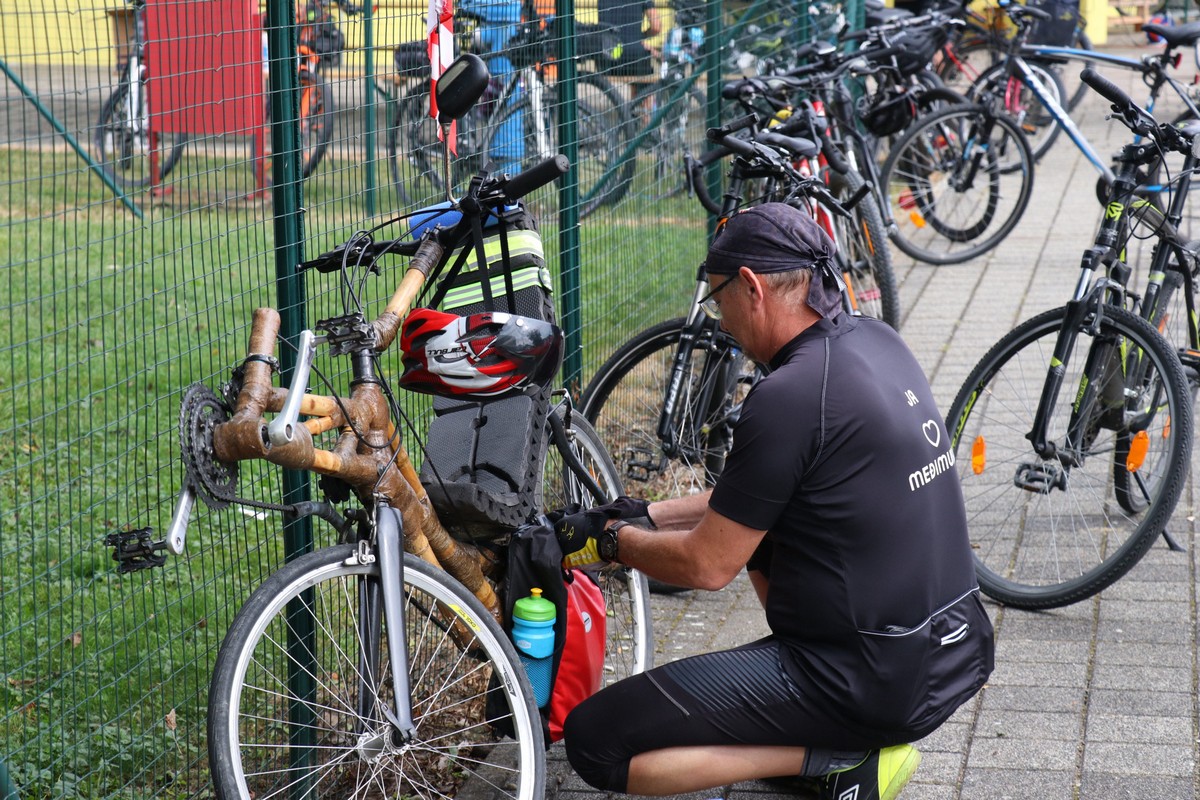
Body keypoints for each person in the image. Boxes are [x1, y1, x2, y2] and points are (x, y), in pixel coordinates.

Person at [553, 203, 994, 800]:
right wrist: (643, 512)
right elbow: (752, 498)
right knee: (775, 530)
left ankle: (835, 760)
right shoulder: (875, 340)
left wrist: (610, 542)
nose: (722, 321)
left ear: (752, 287)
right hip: (952, 649)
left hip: (871, 680)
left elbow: (708, 566)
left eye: (717, 299)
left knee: (595, 741)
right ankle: (825, 738)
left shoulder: (788, 395)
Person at [597, 0, 662, 78]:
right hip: (635, 57)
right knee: (642, 84)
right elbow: (656, 27)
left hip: (607, 59)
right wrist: (637, 38)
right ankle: (638, 90)